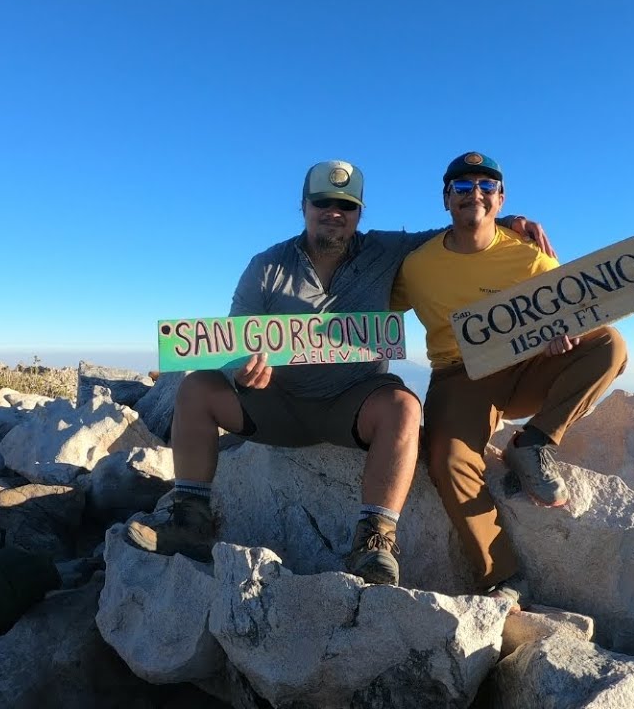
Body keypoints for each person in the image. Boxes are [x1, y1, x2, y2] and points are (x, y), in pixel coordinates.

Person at [126, 159, 552, 587]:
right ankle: (191, 521)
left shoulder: (386, 251)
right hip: (278, 403)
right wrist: (243, 372)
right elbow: (237, 336)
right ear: (304, 206)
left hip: (353, 402)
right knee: (197, 386)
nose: (335, 212)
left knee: (403, 405)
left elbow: (452, 236)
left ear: (360, 212)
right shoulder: (267, 265)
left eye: (346, 205)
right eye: (323, 202)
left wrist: (508, 221)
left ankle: (375, 542)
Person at [390, 151, 628, 608]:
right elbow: (373, 308)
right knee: (450, 461)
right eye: (461, 187)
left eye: (485, 187)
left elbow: (570, 315)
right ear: (446, 199)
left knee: (610, 345)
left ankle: (533, 441)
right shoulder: (417, 266)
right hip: (460, 376)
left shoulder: (530, 257)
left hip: (525, 366)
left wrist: (563, 337)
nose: (472, 194)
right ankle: (502, 575)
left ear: (500, 199)